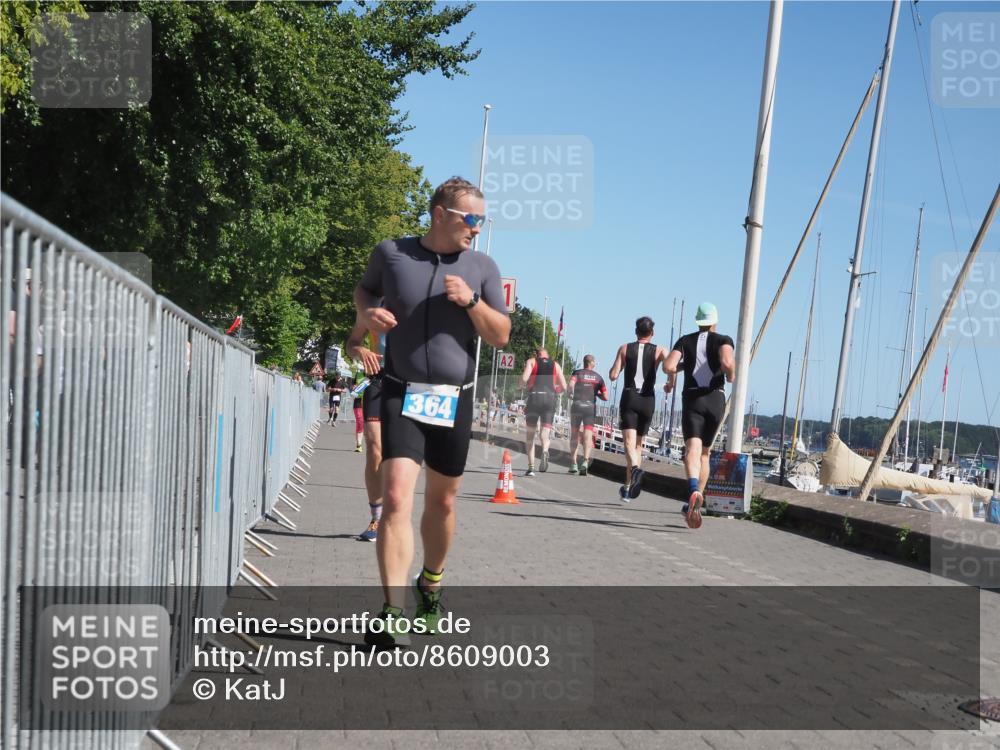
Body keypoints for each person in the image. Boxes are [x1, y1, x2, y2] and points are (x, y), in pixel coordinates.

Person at [354, 176, 510, 647]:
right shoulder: (391, 253)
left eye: (482, 220)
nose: (478, 229)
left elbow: (500, 335)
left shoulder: (482, 267)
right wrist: (369, 315)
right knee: (397, 498)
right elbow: (365, 292)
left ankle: (431, 583)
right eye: (472, 218)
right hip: (402, 391)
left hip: (454, 398)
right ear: (440, 214)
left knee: (442, 502)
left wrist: (472, 302)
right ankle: (392, 611)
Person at [663, 302, 736, 529]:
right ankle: (697, 497)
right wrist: (731, 375)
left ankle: (693, 489)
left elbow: (668, 366)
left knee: (692, 449)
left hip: (692, 398)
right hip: (715, 399)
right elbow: (726, 362)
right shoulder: (723, 339)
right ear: (714, 320)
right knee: (705, 453)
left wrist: (684, 367)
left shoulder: (685, 340)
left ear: (697, 321)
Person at [609, 316, 669, 501]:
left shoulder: (625, 348)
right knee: (637, 446)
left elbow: (612, 375)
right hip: (648, 399)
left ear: (636, 331)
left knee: (628, 442)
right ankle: (627, 489)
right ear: (652, 332)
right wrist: (670, 384)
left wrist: (619, 365)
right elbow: (670, 367)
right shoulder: (660, 350)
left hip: (630, 396)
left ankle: (635, 472)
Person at [347, 322, 387, 542]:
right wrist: (361, 350)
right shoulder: (372, 301)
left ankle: (397, 514)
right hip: (379, 379)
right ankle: (377, 518)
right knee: (374, 448)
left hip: (413, 383)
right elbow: (351, 343)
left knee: (404, 455)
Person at [520, 348, 567, 476]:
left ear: (537, 355)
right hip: (549, 399)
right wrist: (554, 391)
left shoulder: (532, 362)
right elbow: (564, 386)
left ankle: (531, 468)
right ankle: (545, 450)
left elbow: (524, 379)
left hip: (534, 398)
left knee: (530, 436)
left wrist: (521, 385)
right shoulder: (555, 365)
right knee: (544, 433)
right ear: (547, 355)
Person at [567, 355, 608, 476]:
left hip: (577, 406)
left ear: (584, 362)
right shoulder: (598, 378)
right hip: (590, 408)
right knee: (588, 435)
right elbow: (606, 397)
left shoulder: (577, 373)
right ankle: (585, 461)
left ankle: (573, 464)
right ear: (593, 363)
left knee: (574, 435)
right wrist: (596, 394)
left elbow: (571, 384)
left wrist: (570, 392)